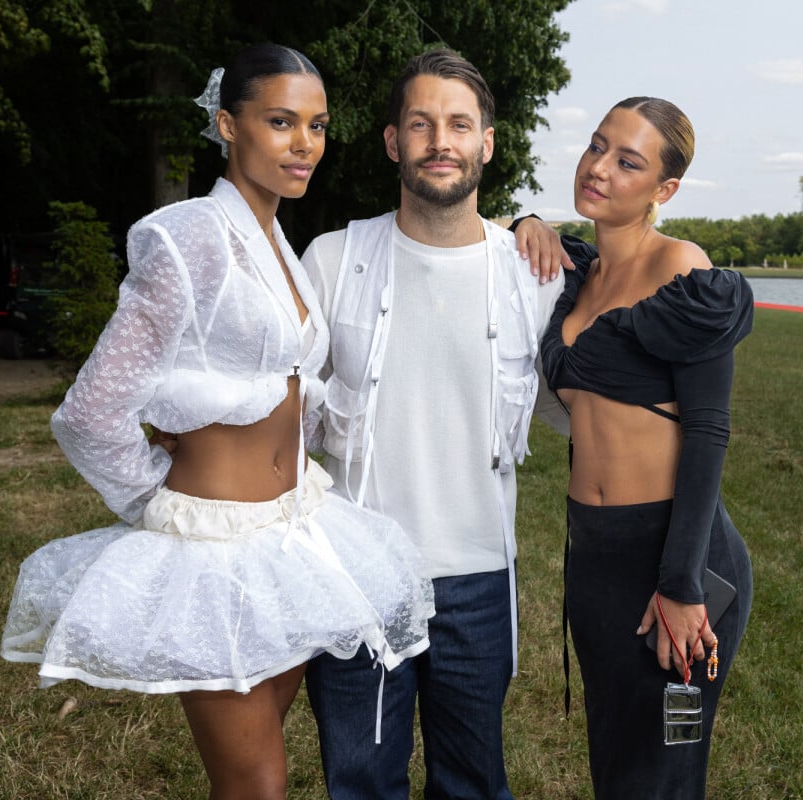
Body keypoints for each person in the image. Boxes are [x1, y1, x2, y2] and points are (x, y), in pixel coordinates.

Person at [0, 44, 434, 800]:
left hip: (291, 535)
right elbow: (91, 410)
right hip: (211, 548)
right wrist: (154, 500)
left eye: (318, 125)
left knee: (253, 761)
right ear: (227, 125)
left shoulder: (277, 243)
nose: (305, 143)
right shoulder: (190, 236)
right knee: (259, 782)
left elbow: (273, 386)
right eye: (280, 121)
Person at [300, 48, 565, 800]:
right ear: (393, 142)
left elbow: (581, 409)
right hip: (360, 571)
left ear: (487, 142)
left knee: (474, 782)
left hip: (481, 575)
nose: (439, 141)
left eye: (458, 124)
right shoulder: (332, 259)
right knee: (361, 780)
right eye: (421, 124)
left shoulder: (531, 273)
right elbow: (282, 416)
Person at [529, 97, 753, 799]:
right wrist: (525, 222)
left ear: (664, 190)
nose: (598, 167)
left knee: (662, 774)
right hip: (593, 556)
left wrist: (682, 586)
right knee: (617, 769)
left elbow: (709, 431)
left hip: (675, 559)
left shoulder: (684, 271)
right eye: (596, 146)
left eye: (628, 161)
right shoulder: (579, 274)